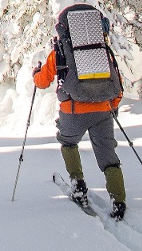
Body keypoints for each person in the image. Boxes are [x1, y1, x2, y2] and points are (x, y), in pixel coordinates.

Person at [33, 51, 127, 220]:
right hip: (103, 109)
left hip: (73, 110)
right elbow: (117, 82)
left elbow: (42, 82)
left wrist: (36, 74)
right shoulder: (102, 49)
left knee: (68, 143)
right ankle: (119, 200)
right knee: (107, 154)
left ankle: (78, 184)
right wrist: (112, 106)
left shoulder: (60, 50)